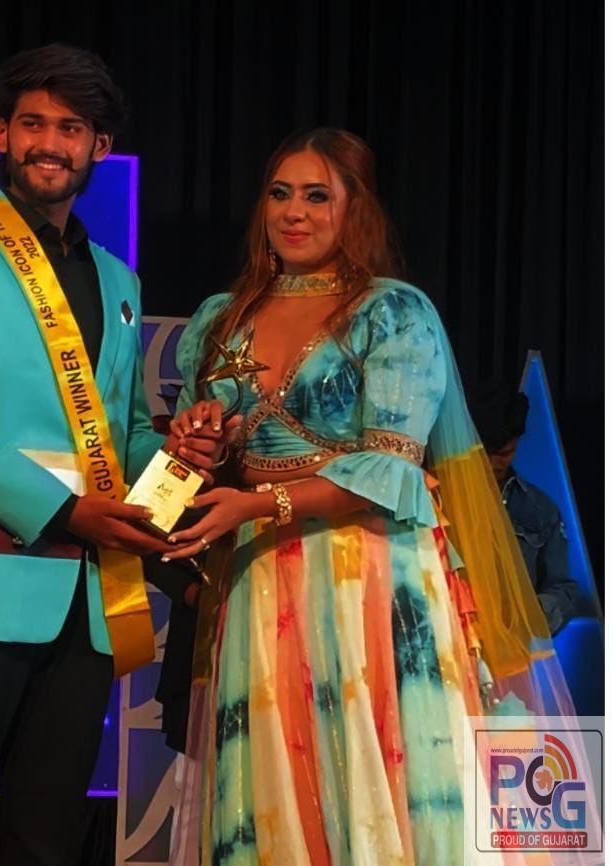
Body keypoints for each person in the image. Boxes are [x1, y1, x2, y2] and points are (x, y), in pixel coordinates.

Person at [162, 128, 574, 865]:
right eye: (280, 193)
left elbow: (391, 468)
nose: (294, 212)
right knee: (275, 776)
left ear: (356, 209)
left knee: (378, 763)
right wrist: (202, 445)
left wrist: (260, 506)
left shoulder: (392, 313)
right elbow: (223, 453)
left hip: (371, 572)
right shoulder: (221, 318)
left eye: (317, 195)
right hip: (261, 576)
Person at [0, 43, 226, 866]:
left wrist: (183, 451)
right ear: (0, 133)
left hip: (84, 608)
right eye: (32, 123)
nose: (50, 143)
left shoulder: (118, 279)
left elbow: (121, 436)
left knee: (47, 843)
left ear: (98, 147)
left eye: (71, 128)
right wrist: (66, 511)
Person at [468, 380, 577, 634]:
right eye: (484, 452)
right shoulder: (438, 496)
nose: (492, 463)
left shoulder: (540, 509)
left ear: (518, 442)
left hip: (514, 646)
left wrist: (532, 611)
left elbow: (563, 590)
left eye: (504, 453)